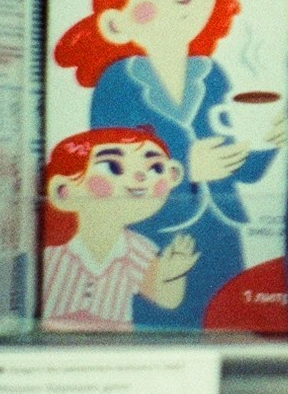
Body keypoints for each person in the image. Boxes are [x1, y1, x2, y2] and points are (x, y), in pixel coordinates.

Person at [52, 0, 279, 329]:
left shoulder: (213, 75)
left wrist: (266, 143)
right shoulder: (117, 83)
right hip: (154, 233)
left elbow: (244, 173)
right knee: (156, 325)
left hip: (222, 229)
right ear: (115, 24)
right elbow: (110, 165)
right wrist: (188, 165)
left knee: (229, 324)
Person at [38, 129, 198, 332]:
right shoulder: (53, 253)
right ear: (63, 191)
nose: (140, 176)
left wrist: (173, 273)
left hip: (116, 343)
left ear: (173, 175)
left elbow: (166, 299)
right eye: (112, 167)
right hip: (55, 340)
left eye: (156, 168)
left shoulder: (138, 250)